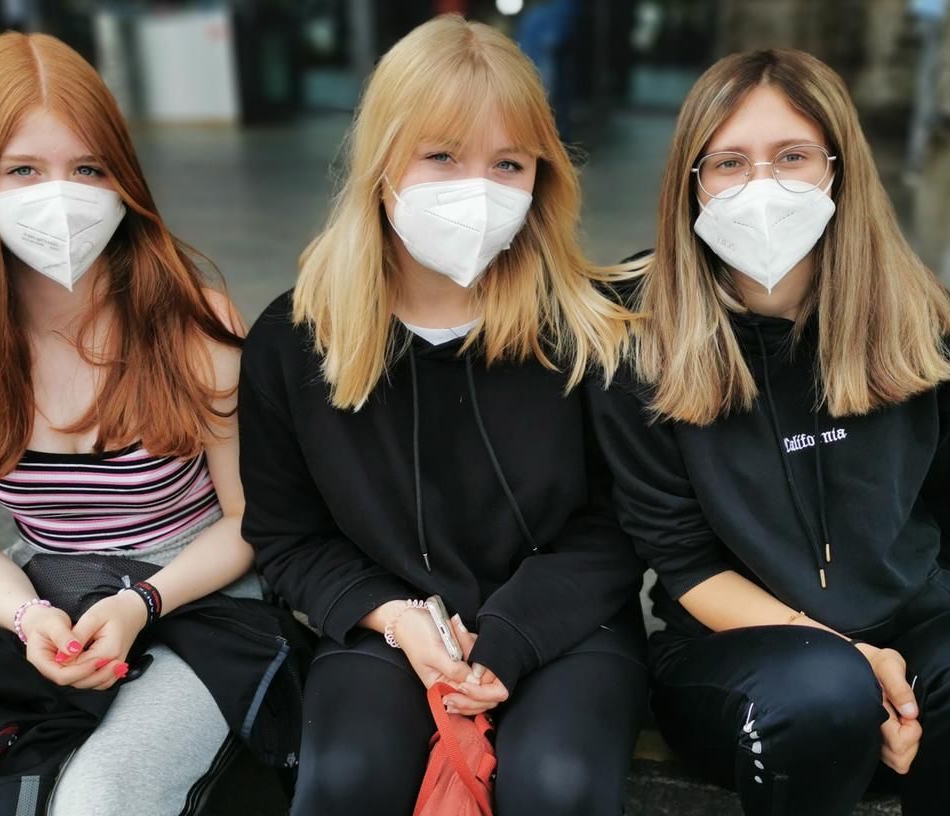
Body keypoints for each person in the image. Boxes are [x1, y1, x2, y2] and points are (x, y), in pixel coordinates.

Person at [588, 48, 950, 816]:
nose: (761, 187)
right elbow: (679, 561)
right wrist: (853, 659)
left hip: (909, 619)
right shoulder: (638, 332)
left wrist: (889, 638)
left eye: (793, 157)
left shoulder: (922, 316)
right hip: (737, 650)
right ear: (693, 184)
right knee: (822, 690)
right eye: (729, 163)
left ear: (839, 168)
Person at [238, 15, 646, 816]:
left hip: (565, 625)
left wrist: (513, 636)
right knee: (346, 781)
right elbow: (287, 538)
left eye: (507, 163)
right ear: (383, 165)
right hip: (385, 625)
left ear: (542, 176)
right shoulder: (294, 340)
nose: (478, 189)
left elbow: (621, 527)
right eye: (442, 156)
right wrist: (392, 618)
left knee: (558, 785)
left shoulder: (589, 330)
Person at [0, 32, 256, 814]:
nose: (61, 195)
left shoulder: (197, 323)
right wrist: (29, 616)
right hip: (45, 587)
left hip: (202, 590)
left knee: (99, 797)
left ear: (124, 177)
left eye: (88, 168)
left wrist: (140, 604)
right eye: (23, 169)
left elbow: (253, 517)